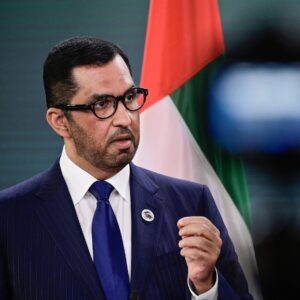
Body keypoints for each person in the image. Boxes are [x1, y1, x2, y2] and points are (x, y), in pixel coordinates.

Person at [0, 36, 253, 300]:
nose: (125, 118)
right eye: (102, 104)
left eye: (130, 97)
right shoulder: (9, 218)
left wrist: (206, 286)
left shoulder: (190, 202)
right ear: (60, 121)